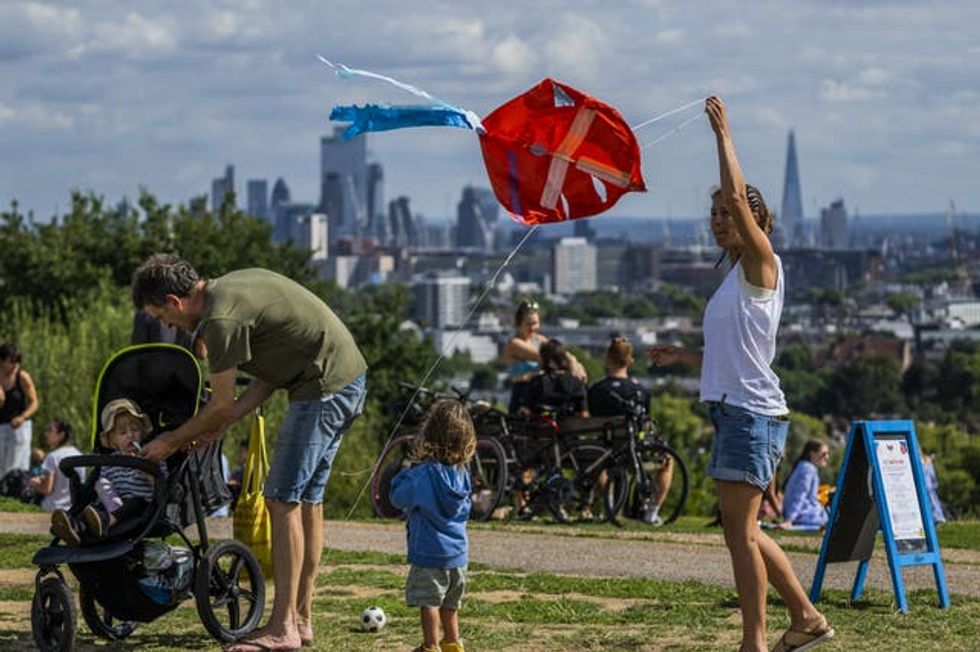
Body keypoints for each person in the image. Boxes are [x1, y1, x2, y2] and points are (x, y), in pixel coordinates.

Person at [648, 97, 833, 652]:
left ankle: (754, 642)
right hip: (737, 411)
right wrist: (684, 357)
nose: (719, 220)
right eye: (714, 216)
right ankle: (805, 618)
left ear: (752, 221)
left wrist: (723, 136)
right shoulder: (733, 279)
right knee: (743, 533)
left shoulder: (762, 262)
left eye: (728, 214)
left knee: (740, 537)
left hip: (752, 416)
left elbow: (735, 192)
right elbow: (733, 354)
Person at [132, 254, 367, 652]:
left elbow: (220, 403)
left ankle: (283, 628)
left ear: (174, 302)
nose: (167, 326)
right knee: (307, 500)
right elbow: (267, 378)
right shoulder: (231, 286)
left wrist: (170, 440)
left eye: (162, 317)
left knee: (281, 499)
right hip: (346, 376)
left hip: (322, 387)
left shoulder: (220, 321)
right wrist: (219, 426)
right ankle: (301, 619)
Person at [390, 399, 474, 652]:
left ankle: (431, 646)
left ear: (429, 435)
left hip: (429, 553)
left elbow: (397, 498)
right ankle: (452, 643)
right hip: (458, 555)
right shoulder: (462, 474)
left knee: (429, 603)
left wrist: (404, 472)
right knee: (450, 604)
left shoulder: (423, 475)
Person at [49, 400, 159, 545]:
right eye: (122, 432)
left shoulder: (151, 456)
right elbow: (104, 490)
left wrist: (147, 470)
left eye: (135, 429)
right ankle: (74, 527)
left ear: (143, 432)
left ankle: (104, 522)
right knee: (94, 505)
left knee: (135, 503)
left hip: (139, 509)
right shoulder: (109, 462)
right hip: (110, 506)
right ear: (112, 440)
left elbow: (161, 485)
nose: (130, 435)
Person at [588, 336, 671, 525]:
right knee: (667, 462)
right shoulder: (639, 391)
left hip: (601, 451)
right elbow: (646, 424)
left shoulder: (595, 390)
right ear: (630, 360)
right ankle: (652, 512)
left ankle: (609, 505)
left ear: (607, 358)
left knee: (600, 465)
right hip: (631, 454)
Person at [503, 300, 586, 413]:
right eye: (528, 324)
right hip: (521, 395)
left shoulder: (539, 340)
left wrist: (575, 366)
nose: (533, 328)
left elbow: (561, 354)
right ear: (519, 324)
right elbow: (547, 356)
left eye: (535, 323)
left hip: (540, 396)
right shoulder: (514, 343)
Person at [518, 339, 589, 418]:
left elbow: (525, 411)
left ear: (547, 360)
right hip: (569, 428)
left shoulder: (536, 382)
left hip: (541, 427)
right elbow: (584, 414)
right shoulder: (576, 383)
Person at [0, 343, 39, 478]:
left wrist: (22, 417)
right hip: (2, 425)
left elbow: (34, 402)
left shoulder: (22, 377)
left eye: (17, 361)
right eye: (11, 361)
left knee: (15, 465)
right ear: (2, 361)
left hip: (19, 426)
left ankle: (13, 492)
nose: (15, 365)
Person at [28, 420, 84, 511]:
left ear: (61, 435)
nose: (46, 434)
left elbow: (47, 489)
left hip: (52, 507)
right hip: (73, 507)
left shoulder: (53, 456)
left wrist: (33, 486)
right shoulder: (79, 455)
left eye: (50, 431)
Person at [779, 440, 830, 530]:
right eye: (823, 454)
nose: (827, 457)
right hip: (805, 515)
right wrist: (789, 520)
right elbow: (800, 494)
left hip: (800, 513)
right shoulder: (808, 469)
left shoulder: (803, 466)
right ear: (812, 453)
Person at [921, 450, 946, 524]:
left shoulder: (925, 461)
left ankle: (938, 518)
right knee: (934, 502)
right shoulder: (927, 461)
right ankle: (938, 517)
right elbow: (932, 476)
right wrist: (935, 484)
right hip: (929, 486)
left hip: (926, 487)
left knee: (932, 503)